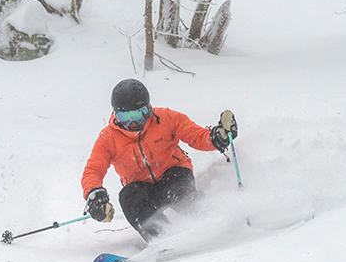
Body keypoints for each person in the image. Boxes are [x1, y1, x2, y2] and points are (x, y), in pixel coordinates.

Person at [81, 78, 237, 242]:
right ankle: (162, 238)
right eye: (125, 117)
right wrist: (95, 195)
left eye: (138, 114)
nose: (132, 122)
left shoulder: (166, 118)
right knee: (128, 197)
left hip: (173, 174)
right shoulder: (108, 138)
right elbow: (93, 171)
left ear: (148, 109)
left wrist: (218, 137)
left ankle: (214, 219)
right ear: (115, 115)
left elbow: (197, 136)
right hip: (142, 190)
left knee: (177, 188)